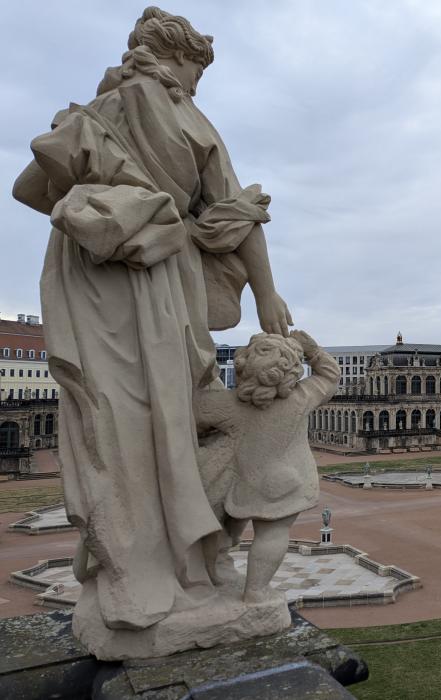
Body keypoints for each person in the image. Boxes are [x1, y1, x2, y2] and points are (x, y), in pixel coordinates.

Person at [13, 7, 293, 652]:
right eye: (199, 71)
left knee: (109, 424)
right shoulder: (186, 117)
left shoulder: (94, 110)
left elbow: (31, 187)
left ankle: (128, 570)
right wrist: (266, 292)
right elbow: (238, 214)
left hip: (87, 282)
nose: (198, 84)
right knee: (164, 422)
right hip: (156, 282)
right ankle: (174, 570)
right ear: (183, 60)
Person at [195, 331, 339, 603]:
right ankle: (256, 590)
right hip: (284, 483)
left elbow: (193, 414)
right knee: (273, 534)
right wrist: (313, 350)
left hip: (240, 481)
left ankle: (212, 572)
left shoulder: (227, 404)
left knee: (225, 530)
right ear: (290, 371)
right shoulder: (301, 397)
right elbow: (331, 376)